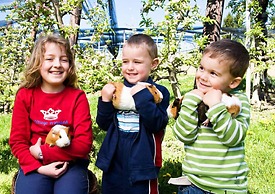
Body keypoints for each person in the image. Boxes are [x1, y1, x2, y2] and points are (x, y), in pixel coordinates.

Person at [9, 34, 93, 194]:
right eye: (50, 59)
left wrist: (43, 153)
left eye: (63, 59)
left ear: (70, 65)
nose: (57, 65)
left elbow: (83, 144)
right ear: (37, 63)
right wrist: (38, 167)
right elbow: (18, 141)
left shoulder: (77, 97)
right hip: (34, 164)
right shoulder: (25, 96)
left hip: (71, 163)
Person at [173, 39, 250, 193]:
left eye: (213, 73)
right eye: (201, 68)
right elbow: (184, 135)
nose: (202, 76)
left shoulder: (238, 102)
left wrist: (216, 106)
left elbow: (233, 138)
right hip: (193, 183)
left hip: (227, 187)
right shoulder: (192, 98)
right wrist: (190, 102)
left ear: (233, 82)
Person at [95, 33, 170, 194]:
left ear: (154, 63)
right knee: (112, 189)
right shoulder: (117, 90)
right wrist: (105, 101)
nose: (130, 67)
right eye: (125, 61)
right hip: (115, 155)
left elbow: (156, 124)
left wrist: (141, 95)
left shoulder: (159, 93)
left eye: (137, 62)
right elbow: (104, 124)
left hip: (143, 157)